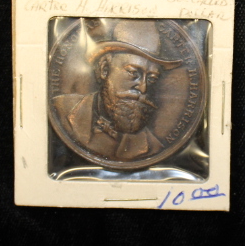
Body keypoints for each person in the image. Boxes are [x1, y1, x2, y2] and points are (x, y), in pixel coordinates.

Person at [53, 20, 181, 162]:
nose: (143, 88)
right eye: (133, 73)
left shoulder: (153, 147)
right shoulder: (60, 110)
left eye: (151, 78)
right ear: (105, 69)